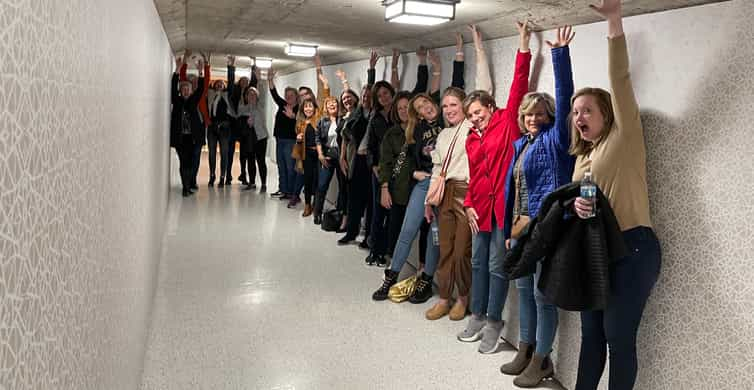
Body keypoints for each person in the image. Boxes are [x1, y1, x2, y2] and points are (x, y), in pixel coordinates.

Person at [570, 2, 662, 389]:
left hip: (633, 250)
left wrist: (613, 20)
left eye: (587, 110)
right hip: (595, 254)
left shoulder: (624, 140)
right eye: (575, 112)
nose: (579, 117)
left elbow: (619, 77)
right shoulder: (583, 157)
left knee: (618, 340)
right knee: (591, 339)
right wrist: (577, 207)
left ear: (607, 114)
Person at [498, 25, 576, 387]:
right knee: (525, 291)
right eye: (529, 113)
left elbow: (565, 95)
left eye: (540, 113)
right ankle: (526, 349)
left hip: (548, 228)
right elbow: (515, 192)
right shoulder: (520, 146)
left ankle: (543, 360)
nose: (533, 117)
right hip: (521, 228)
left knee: (544, 298)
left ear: (549, 116)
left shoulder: (557, 140)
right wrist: (511, 230)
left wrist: (560, 55)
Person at [456, 21, 531, 354]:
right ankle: (478, 313)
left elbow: (519, 85)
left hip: (503, 209)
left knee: (496, 266)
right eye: (470, 115)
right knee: (476, 264)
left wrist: (524, 46)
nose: (474, 119)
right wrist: (469, 203)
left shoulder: (507, 121)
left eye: (477, 112)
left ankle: (494, 321)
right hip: (479, 209)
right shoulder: (471, 138)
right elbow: (474, 175)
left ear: (490, 107)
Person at [372, 45, 464, 302]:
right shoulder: (415, 133)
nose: (427, 109)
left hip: (447, 185)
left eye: (427, 103)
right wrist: (412, 176)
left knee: (435, 235)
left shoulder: (449, 120)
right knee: (408, 229)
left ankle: (425, 281)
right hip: (425, 185)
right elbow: (407, 164)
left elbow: (457, 89)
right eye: (420, 108)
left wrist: (455, 58)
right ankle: (390, 277)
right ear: (418, 115)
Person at [365, 48, 428, 266]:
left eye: (406, 107)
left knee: (418, 229)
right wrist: (381, 178)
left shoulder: (421, 128)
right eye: (400, 108)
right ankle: (381, 254)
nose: (402, 110)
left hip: (417, 188)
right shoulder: (383, 123)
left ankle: (419, 268)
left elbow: (420, 90)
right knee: (384, 218)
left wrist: (417, 63)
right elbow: (379, 154)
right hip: (390, 181)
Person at [337, 50, 378, 246]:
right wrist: (342, 157)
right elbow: (345, 135)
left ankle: (368, 237)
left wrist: (372, 69)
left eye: (368, 95)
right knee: (354, 199)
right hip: (357, 161)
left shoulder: (376, 115)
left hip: (372, 162)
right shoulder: (357, 114)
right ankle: (351, 233)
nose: (365, 97)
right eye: (363, 94)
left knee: (371, 201)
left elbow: (374, 88)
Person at [170, 53, 205, 197]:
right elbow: (173, 87)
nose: (185, 91)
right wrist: (177, 70)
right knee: (184, 162)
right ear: (181, 91)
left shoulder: (193, 101)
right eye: (183, 89)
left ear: (191, 91)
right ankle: (186, 187)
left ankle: (189, 183)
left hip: (192, 138)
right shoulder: (177, 101)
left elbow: (201, 88)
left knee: (190, 163)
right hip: (180, 138)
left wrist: (201, 72)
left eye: (188, 89)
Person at [178, 50, 211, 190]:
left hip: (199, 127)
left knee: (196, 155)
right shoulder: (187, 95)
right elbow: (182, 77)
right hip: (187, 129)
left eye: (196, 80)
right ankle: (188, 180)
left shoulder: (201, 93)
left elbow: (206, 79)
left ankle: (192, 180)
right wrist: (184, 61)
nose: (194, 82)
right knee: (188, 156)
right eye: (191, 81)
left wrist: (206, 64)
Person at [268, 69, 299, 200]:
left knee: (290, 168)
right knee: (281, 167)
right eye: (286, 95)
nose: (288, 98)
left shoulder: (299, 109)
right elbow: (274, 94)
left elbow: (303, 122)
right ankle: (283, 190)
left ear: (296, 96)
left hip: (291, 141)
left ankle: (292, 192)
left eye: (291, 95)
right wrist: (270, 80)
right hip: (280, 140)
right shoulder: (283, 105)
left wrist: (293, 117)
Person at [313, 93, 345, 225]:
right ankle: (317, 213)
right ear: (326, 106)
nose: (332, 105)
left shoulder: (343, 120)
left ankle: (339, 212)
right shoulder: (323, 121)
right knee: (322, 185)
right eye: (329, 103)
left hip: (342, 156)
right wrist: (320, 155)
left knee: (343, 187)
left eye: (335, 103)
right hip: (327, 155)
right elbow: (318, 139)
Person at [208, 57, 236, 187]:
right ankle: (212, 175)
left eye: (221, 84)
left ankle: (222, 177)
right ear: (214, 86)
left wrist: (230, 67)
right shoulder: (210, 96)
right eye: (217, 83)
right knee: (212, 153)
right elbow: (204, 85)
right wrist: (207, 66)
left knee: (224, 153)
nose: (219, 85)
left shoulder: (227, 95)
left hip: (225, 128)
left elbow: (231, 83)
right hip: (212, 128)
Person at [293, 96, 322, 215]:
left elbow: (324, 97)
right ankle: (307, 205)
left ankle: (316, 204)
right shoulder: (301, 124)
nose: (308, 109)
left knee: (319, 180)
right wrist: (298, 139)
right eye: (306, 106)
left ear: (315, 108)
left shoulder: (319, 119)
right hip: (307, 155)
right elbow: (299, 143)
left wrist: (325, 85)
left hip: (319, 154)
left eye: (310, 106)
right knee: (307, 180)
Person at [228, 69, 256, 185]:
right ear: (239, 82)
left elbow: (254, 82)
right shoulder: (235, 92)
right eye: (242, 81)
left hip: (245, 127)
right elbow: (230, 82)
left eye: (246, 81)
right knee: (230, 151)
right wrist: (231, 67)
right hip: (234, 125)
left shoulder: (250, 94)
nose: (244, 83)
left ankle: (243, 175)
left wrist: (253, 66)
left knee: (244, 153)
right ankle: (228, 175)